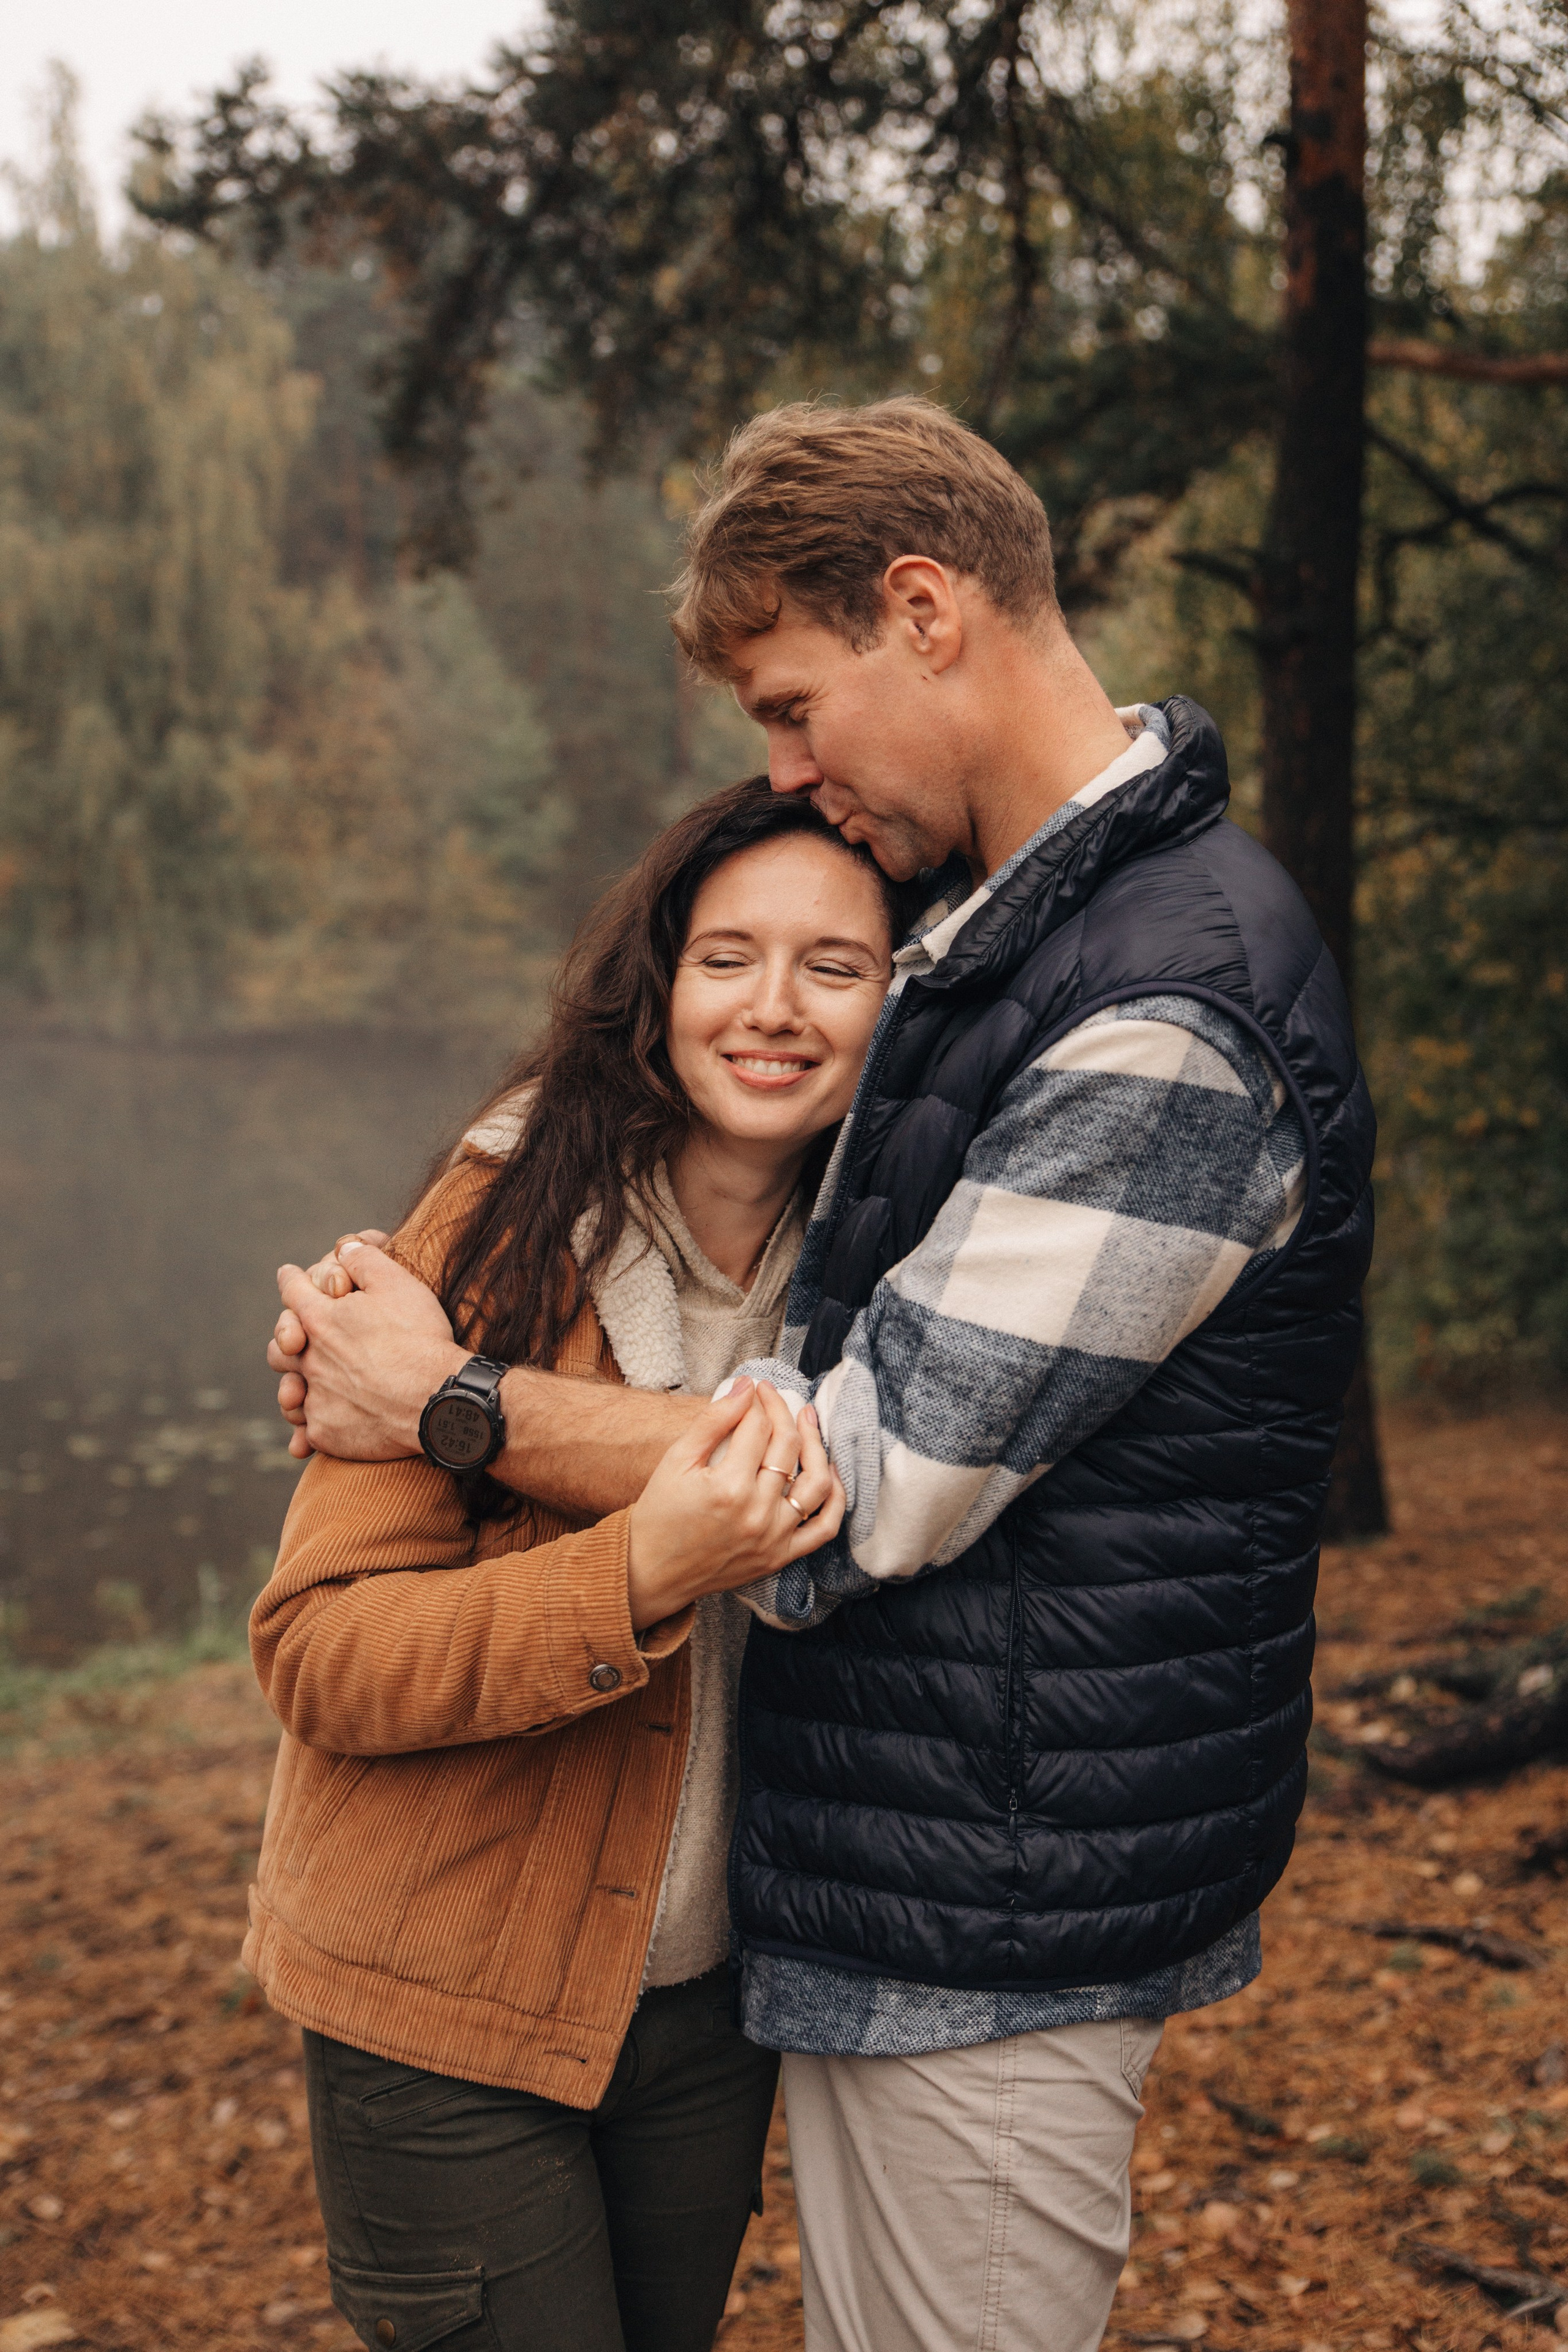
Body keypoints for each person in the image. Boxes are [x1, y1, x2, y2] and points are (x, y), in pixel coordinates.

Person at [273, 396, 1374, 2352]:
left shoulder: (1166, 1011)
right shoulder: (1004, 946)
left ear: (925, 613)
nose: (786, 773)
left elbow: (855, 1482)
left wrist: (451, 1401)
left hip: (999, 1908)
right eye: (727, 955)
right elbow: (341, 1628)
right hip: (889, 1881)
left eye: (792, 707)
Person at [245, 782, 914, 2352]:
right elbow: (321, 1655)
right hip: (442, 2000)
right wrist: (628, 1581)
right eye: (724, 958)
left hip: (705, 2009)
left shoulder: (897, 1260)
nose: (770, 1010)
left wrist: (483, 1415)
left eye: (835, 968)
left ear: (902, 1004)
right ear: (656, 986)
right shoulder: (498, 1222)